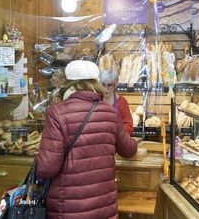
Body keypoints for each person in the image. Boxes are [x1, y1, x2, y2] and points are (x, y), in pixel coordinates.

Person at [36, 60, 138, 219]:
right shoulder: (110, 112)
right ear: (95, 83)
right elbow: (129, 150)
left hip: (68, 208)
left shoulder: (56, 113)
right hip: (104, 206)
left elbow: (47, 167)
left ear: (68, 83)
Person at [99, 70, 134, 135]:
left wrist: (116, 131)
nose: (106, 89)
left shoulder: (122, 102)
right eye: (103, 85)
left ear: (115, 85)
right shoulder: (96, 100)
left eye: (109, 85)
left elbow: (129, 125)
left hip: (117, 140)